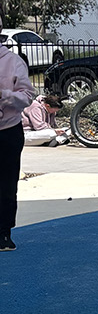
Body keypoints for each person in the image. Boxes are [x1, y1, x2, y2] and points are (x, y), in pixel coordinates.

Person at [0, 40, 35, 250]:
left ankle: (4, 233)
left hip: (8, 130)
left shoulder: (13, 62)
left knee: (6, 183)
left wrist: (5, 95)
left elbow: (28, 96)